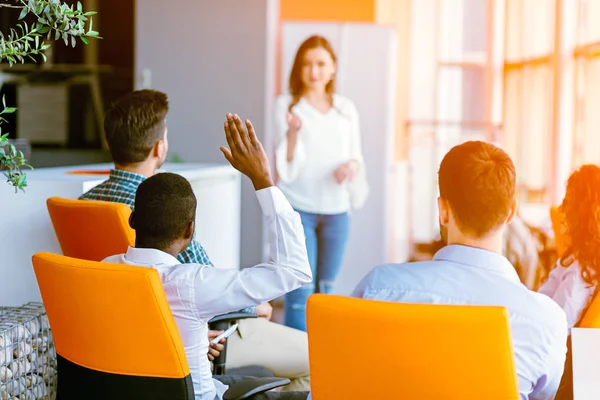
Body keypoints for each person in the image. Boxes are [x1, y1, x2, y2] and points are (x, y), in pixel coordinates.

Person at [80, 90, 311, 390]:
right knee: (319, 357)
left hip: (135, 360)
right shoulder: (192, 282)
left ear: (132, 220)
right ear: (189, 231)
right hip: (204, 340)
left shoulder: (101, 263)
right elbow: (291, 273)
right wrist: (262, 179)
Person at [351, 141, 568, 400]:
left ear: (443, 210)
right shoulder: (546, 321)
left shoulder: (379, 288)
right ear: (511, 211)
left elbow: (344, 375)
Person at [274, 35, 368, 332]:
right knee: (300, 293)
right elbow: (287, 166)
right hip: (299, 208)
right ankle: (296, 369)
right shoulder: (288, 106)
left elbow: (356, 155)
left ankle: (319, 366)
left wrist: (350, 167)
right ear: (298, 69)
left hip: (337, 212)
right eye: (307, 64)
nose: (314, 72)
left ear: (333, 68)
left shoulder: (346, 109)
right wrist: (292, 134)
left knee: (325, 293)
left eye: (320, 64)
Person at [538, 164, 600, 330]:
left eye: (567, 202)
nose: (560, 209)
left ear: (583, 214)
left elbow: (553, 328)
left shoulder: (579, 275)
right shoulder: (581, 261)